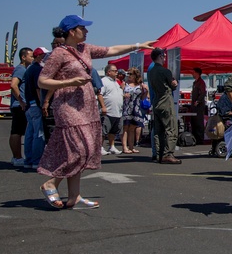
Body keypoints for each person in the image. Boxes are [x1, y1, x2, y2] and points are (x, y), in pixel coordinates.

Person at [37, 15, 154, 209]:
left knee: (88, 148)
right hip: (67, 104)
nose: (87, 31)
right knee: (78, 149)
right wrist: (68, 82)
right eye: (83, 28)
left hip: (86, 104)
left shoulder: (85, 49)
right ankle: (51, 183)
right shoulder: (59, 53)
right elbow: (43, 81)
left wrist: (138, 45)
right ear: (72, 31)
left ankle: (74, 196)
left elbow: (112, 50)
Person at [147, 48, 180, 164]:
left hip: (156, 101)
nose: (165, 58)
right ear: (160, 56)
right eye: (164, 56)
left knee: (158, 130)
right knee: (171, 128)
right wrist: (174, 84)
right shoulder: (165, 71)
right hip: (165, 100)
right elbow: (172, 85)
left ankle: (158, 154)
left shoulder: (150, 71)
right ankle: (168, 154)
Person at [23, 47, 48, 169]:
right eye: (43, 56)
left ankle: (28, 159)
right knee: (39, 134)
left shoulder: (28, 69)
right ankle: (36, 160)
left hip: (29, 104)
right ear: (39, 57)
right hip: (35, 104)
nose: (45, 58)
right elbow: (39, 88)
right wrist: (42, 103)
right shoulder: (38, 69)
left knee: (30, 133)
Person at [9, 47, 33, 167]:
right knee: (17, 131)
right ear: (23, 57)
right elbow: (13, 85)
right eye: (31, 56)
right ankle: (17, 157)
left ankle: (17, 157)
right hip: (19, 106)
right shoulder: (20, 69)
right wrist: (21, 101)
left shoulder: (24, 69)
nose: (32, 58)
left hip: (20, 105)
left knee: (19, 131)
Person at [121, 67, 148, 154]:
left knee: (132, 127)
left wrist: (146, 91)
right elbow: (119, 95)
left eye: (130, 74)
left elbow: (142, 98)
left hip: (136, 107)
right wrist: (124, 96)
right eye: (128, 74)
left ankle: (131, 147)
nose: (128, 76)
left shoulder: (140, 85)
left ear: (135, 75)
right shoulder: (124, 84)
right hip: (127, 107)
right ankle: (125, 147)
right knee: (125, 127)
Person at [99, 64, 124, 155]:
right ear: (109, 72)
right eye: (115, 71)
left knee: (114, 130)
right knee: (104, 130)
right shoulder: (104, 81)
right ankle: (100, 147)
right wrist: (103, 106)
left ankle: (112, 146)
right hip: (108, 111)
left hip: (117, 111)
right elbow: (100, 94)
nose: (116, 72)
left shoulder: (116, 82)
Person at [189, 67, 207, 143]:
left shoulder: (201, 82)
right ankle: (195, 137)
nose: (192, 74)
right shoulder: (195, 83)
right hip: (194, 105)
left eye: (193, 72)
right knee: (194, 121)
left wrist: (198, 101)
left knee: (199, 122)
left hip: (199, 106)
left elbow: (203, 93)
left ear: (197, 73)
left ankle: (200, 138)